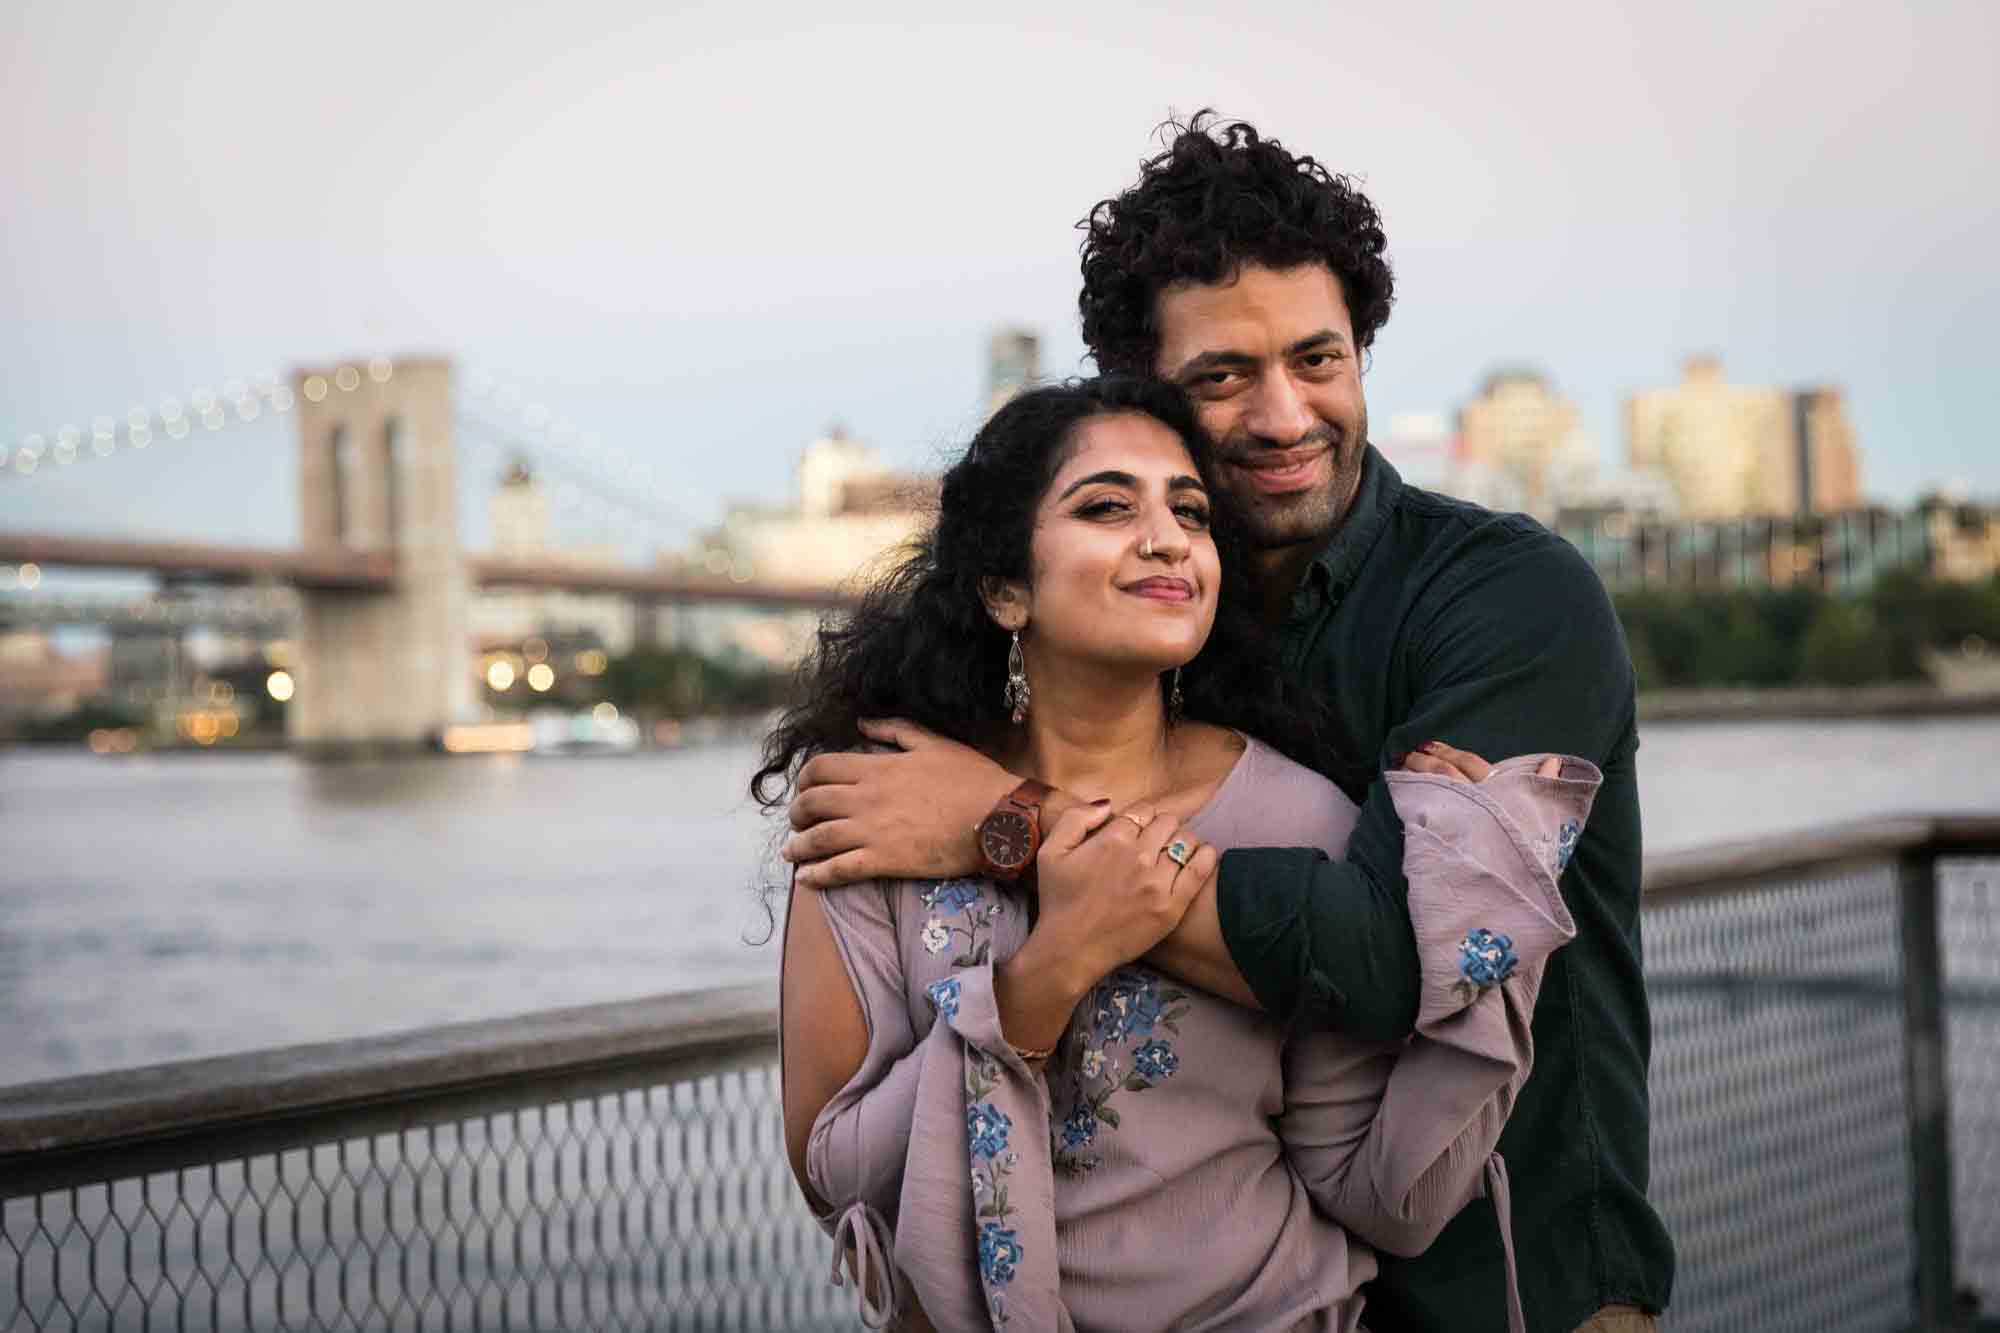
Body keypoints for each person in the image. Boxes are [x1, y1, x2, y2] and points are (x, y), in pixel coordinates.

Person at [782, 117, 1673, 1332]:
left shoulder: (1506, 597)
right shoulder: (1162, 662)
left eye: (1318, 359)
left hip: (1515, 1286)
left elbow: (1391, 962)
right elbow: (830, 1163)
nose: (1282, 414)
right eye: (1221, 378)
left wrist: (1004, 826)